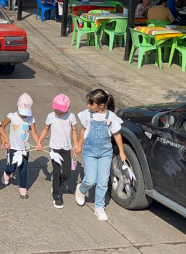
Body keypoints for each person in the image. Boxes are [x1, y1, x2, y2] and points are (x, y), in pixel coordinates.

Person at [75, 89, 126, 221]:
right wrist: (79, 145)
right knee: (91, 179)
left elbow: (117, 134)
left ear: (101, 105)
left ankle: (99, 207)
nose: (88, 106)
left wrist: (121, 151)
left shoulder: (111, 117)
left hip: (105, 152)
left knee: (103, 181)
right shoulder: (87, 115)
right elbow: (83, 130)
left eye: (91, 104)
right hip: (89, 151)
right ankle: (81, 189)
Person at [38, 94, 79, 209]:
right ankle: (56, 195)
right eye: (55, 110)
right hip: (54, 148)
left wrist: (76, 145)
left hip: (66, 148)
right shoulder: (51, 116)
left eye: (60, 111)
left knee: (67, 174)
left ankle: (56, 183)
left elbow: (74, 131)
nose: (57, 113)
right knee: (56, 172)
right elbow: (46, 129)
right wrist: (39, 142)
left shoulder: (72, 117)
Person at [0, 93, 42, 199]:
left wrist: (38, 143)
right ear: (17, 106)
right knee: (11, 167)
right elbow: (1, 127)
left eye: (26, 113)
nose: (24, 115)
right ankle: (6, 173)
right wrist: (3, 140)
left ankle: (23, 187)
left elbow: (34, 133)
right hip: (13, 147)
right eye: (23, 112)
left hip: (25, 149)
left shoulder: (31, 120)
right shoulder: (11, 116)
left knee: (23, 169)